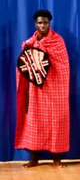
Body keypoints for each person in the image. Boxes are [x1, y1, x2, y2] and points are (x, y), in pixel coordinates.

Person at [15, 9, 70, 168]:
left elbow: (63, 65)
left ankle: (56, 158)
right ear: (35, 24)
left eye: (45, 22)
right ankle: (34, 159)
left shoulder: (57, 41)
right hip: (37, 88)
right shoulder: (30, 42)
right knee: (35, 121)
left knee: (57, 121)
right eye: (40, 23)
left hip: (55, 87)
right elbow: (25, 63)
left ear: (49, 23)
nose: (43, 25)